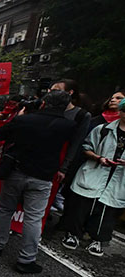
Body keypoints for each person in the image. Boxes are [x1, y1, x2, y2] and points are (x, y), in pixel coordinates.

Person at [0, 91, 76, 274]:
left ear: (43, 103)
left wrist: (18, 119)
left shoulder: (25, 120)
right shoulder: (69, 126)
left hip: (17, 171)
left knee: (5, 209)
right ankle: (26, 259)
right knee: (34, 217)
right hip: (43, 177)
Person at [61, 99, 125, 257]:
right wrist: (99, 158)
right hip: (96, 170)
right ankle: (73, 234)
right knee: (81, 205)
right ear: (121, 111)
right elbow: (86, 147)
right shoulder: (103, 129)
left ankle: (97, 240)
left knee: (107, 210)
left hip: (118, 177)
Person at [47, 80, 92, 214]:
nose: (51, 93)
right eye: (50, 90)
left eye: (56, 90)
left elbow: (76, 143)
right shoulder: (45, 109)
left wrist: (64, 168)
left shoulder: (81, 115)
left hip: (60, 159)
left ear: (69, 93)